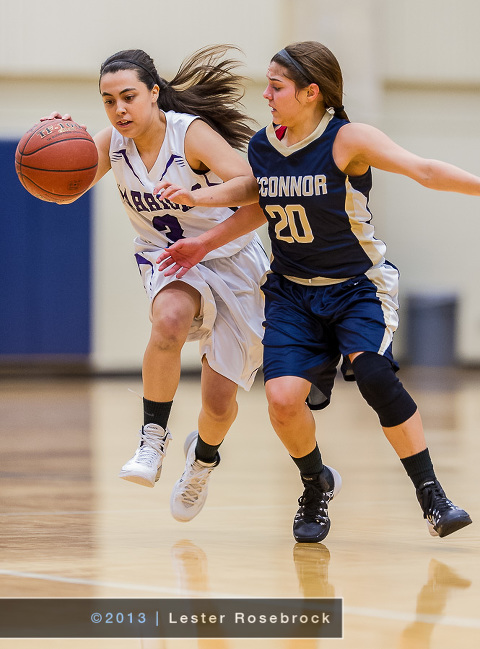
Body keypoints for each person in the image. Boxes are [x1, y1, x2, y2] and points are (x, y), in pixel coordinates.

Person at [155, 41, 474, 543]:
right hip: (292, 293)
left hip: (355, 287)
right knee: (282, 400)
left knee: (372, 373)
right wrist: (201, 211)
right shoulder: (263, 146)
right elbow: (256, 193)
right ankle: (314, 484)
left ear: (311, 93)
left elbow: (426, 170)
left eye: (275, 87)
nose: (265, 95)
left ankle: (432, 493)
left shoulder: (348, 140)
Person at [42, 45, 269, 522]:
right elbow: (66, 192)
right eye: (108, 101)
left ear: (154, 95)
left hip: (230, 257)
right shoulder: (109, 144)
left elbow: (256, 196)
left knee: (219, 404)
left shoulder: (192, 136)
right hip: (168, 259)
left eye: (128, 97)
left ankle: (203, 458)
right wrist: (61, 142)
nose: (119, 109)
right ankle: (151, 442)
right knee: (168, 319)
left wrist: (201, 219)